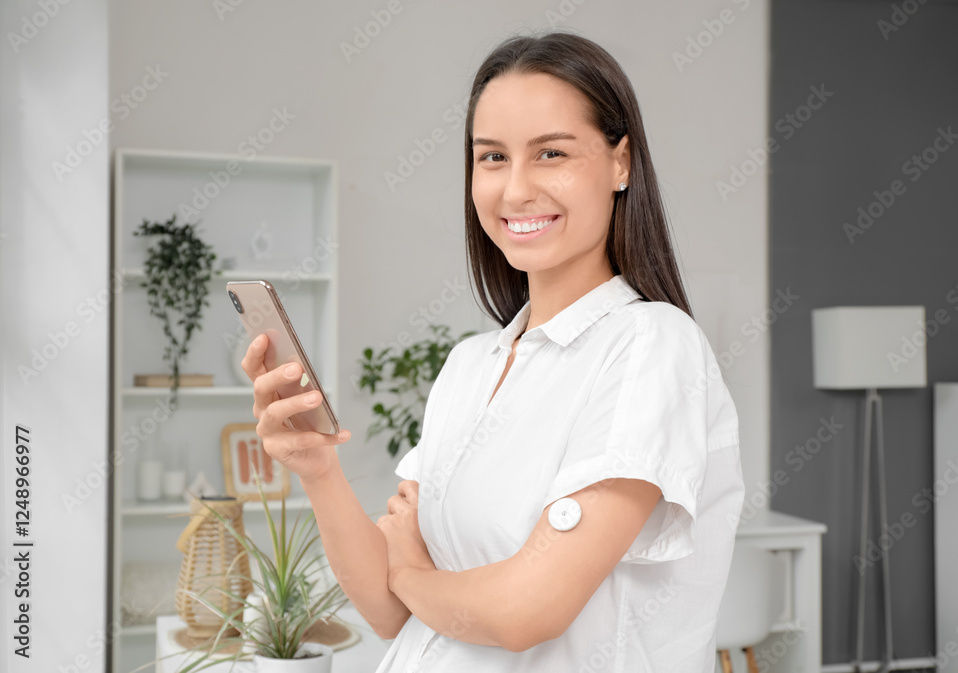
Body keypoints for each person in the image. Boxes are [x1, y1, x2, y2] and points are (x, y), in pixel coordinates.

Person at [242, 31, 744, 673]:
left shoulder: (652, 345)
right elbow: (387, 613)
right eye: (492, 158)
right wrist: (318, 470)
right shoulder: (470, 365)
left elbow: (524, 613)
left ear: (621, 163)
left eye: (552, 153)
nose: (515, 190)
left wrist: (415, 572)